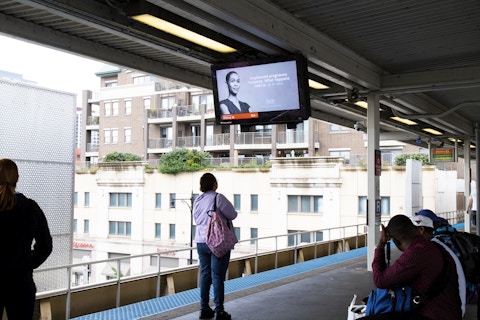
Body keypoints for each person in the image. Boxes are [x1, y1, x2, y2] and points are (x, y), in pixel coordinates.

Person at [367, 214, 461, 320]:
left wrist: (380, 245)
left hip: (432, 314)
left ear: (396, 241)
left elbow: (380, 280)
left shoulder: (416, 253)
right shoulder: (429, 246)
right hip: (448, 311)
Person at [0, 158, 53, 319]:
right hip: (21, 283)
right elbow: (45, 245)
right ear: (18, 178)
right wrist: (27, 262)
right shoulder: (31, 207)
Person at [193, 173, 238, 320]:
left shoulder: (197, 200)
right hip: (217, 241)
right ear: (214, 184)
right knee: (217, 276)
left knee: (205, 275)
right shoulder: (218, 198)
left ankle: (204, 309)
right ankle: (219, 310)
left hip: (201, 241)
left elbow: (196, 219)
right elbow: (232, 214)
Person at [410, 215, 466, 317]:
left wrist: (381, 247)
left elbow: (383, 280)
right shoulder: (440, 244)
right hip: (457, 304)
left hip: (449, 310)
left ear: (421, 230)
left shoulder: (430, 250)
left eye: (408, 232)